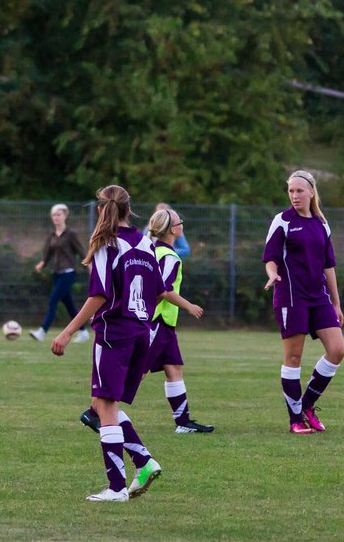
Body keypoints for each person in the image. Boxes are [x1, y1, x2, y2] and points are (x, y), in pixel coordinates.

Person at [51, 185, 166, 502]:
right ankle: (143, 461)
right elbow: (157, 292)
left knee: (105, 407)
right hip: (141, 332)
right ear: (129, 209)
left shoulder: (106, 244)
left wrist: (67, 331)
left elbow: (98, 295)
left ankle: (117, 487)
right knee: (99, 408)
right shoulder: (145, 243)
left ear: (102, 209)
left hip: (115, 332)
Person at [263, 170, 344, 434]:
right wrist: (272, 273)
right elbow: (271, 258)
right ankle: (295, 420)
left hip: (318, 297)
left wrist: (336, 303)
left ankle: (306, 405)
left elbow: (329, 266)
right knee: (294, 357)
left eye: (299, 191)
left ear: (311, 192)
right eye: (290, 191)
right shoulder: (283, 221)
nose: (294, 196)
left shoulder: (322, 224)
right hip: (291, 296)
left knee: (337, 349)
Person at [144, 207, 213, 433]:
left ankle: (183, 422)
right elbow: (163, 290)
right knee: (138, 371)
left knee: (174, 369)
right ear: (173, 230)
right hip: (156, 321)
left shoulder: (151, 250)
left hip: (164, 323)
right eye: (179, 222)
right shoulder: (170, 257)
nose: (182, 224)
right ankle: (98, 412)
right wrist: (189, 306)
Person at [31, 203, 91, 344]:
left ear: (65, 215)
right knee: (69, 304)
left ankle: (42, 331)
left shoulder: (70, 235)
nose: (56, 217)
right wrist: (42, 263)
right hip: (56, 273)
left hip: (68, 273)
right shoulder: (52, 236)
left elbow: (81, 252)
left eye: (58, 214)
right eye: (54, 215)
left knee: (53, 299)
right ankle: (83, 332)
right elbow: (48, 254)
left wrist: (89, 265)